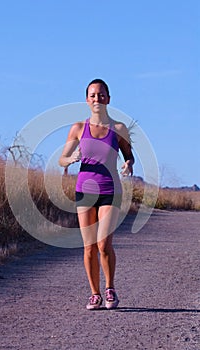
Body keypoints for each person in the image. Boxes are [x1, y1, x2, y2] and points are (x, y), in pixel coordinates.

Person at [59, 79, 134, 310]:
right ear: (86, 100)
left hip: (111, 191)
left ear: (108, 99)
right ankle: (95, 293)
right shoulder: (78, 128)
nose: (96, 99)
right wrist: (69, 160)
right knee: (89, 246)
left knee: (103, 244)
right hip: (85, 191)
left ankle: (110, 288)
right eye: (92, 95)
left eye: (101, 95)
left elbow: (129, 155)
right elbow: (62, 158)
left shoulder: (118, 129)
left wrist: (128, 164)